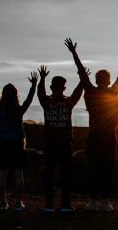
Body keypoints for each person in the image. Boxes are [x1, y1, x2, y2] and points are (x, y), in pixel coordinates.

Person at [65, 38, 118, 212]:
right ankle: (106, 202)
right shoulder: (113, 91)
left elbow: (81, 72)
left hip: (94, 135)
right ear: (107, 80)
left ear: (96, 79)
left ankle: (92, 201)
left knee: (93, 168)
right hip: (108, 136)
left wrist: (74, 53)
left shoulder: (90, 91)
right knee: (107, 168)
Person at [37, 65, 84, 213]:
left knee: (49, 175)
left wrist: (42, 78)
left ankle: (49, 204)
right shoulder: (68, 102)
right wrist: (82, 79)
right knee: (65, 175)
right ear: (64, 88)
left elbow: (40, 92)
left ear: (51, 87)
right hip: (65, 144)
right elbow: (78, 92)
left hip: (50, 144)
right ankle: (65, 204)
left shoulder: (46, 102)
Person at [0, 70, 38, 211]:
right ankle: (17, 203)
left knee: (2, 174)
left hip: (4, 144)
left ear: (4, 95)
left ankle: (3, 202)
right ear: (16, 95)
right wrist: (33, 85)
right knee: (18, 174)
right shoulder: (19, 110)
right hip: (17, 144)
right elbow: (29, 99)